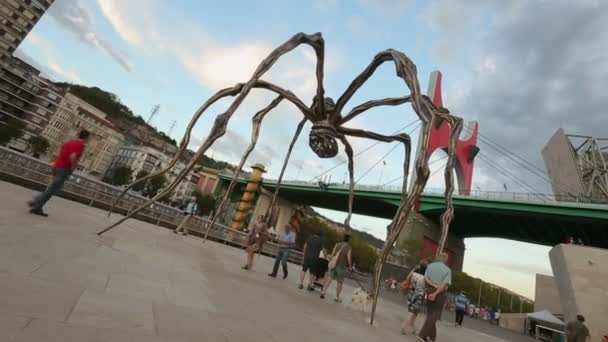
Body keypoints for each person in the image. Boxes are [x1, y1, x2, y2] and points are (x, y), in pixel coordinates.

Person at [28, 129, 90, 216]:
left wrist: (55, 165)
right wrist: (73, 167)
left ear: (78, 135)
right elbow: (73, 156)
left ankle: (36, 201)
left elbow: (61, 154)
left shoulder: (68, 142)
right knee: (53, 189)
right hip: (64, 169)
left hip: (57, 166)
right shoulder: (80, 145)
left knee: (54, 187)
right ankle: (37, 205)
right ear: (86, 138)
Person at [417, 252, 452, 342]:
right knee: (435, 315)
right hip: (440, 293)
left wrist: (432, 285)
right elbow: (444, 285)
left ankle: (432, 337)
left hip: (429, 290)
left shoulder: (431, 266)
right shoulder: (447, 270)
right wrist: (436, 292)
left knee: (430, 314)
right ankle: (422, 335)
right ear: (446, 259)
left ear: (438, 258)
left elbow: (426, 278)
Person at [320, 234, 352, 303]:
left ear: (343, 238)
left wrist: (331, 262)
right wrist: (350, 267)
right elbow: (348, 258)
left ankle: (323, 292)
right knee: (340, 282)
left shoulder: (337, 244)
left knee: (329, 279)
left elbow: (332, 254)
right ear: (349, 240)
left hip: (334, 265)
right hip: (342, 267)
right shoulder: (348, 247)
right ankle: (337, 297)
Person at [401, 259, 429, 335]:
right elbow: (427, 285)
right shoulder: (426, 274)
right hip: (419, 295)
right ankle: (404, 326)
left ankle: (412, 328)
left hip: (411, 291)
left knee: (415, 312)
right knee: (412, 312)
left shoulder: (415, 270)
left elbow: (407, 277)